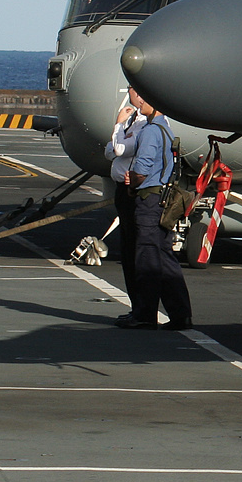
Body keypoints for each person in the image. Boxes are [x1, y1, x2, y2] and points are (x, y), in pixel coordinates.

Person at [115, 90, 192, 330]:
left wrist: (133, 184)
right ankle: (181, 315)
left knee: (146, 258)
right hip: (163, 199)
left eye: (145, 99)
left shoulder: (149, 131)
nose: (140, 102)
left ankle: (145, 314)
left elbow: (143, 167)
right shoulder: (164, 128)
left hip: (149, 199)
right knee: (164, 257)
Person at [104, 94, 147, 325]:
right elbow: (109, 151)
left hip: (135, 192)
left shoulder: (143, 125)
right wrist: (119, 135)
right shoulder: (135, 121)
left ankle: (142, 310)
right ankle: (136, 307)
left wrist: (118, 125)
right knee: (128, 249)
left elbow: (120, 149)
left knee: (135, 250)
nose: (131, 94)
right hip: (122, 189)